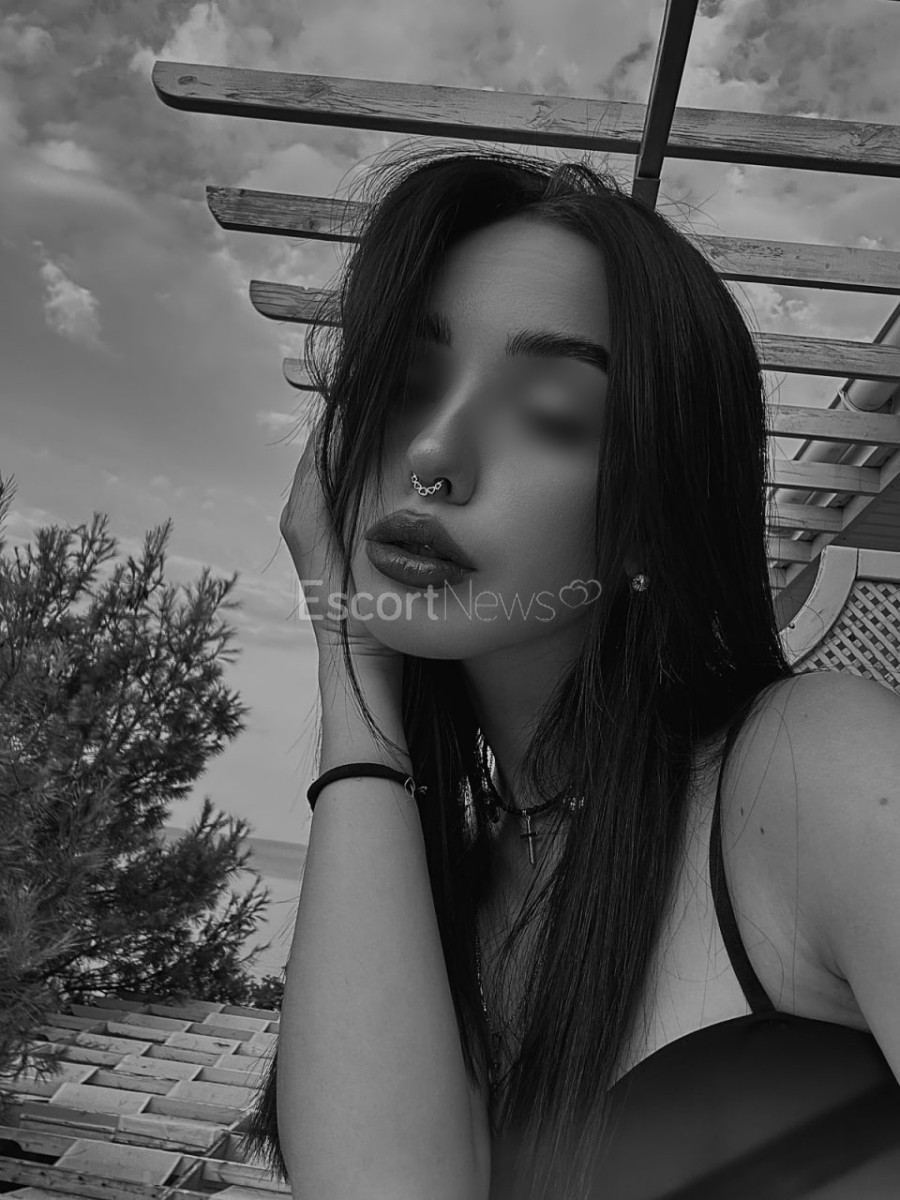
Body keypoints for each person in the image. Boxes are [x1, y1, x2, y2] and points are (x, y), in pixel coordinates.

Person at [241, 144, 900, 1200]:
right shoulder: (447, 887)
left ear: (655, 509)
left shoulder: (813, 767)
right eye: (407, 384)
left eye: (550, 409)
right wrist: (349, 657)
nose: (434, 454)